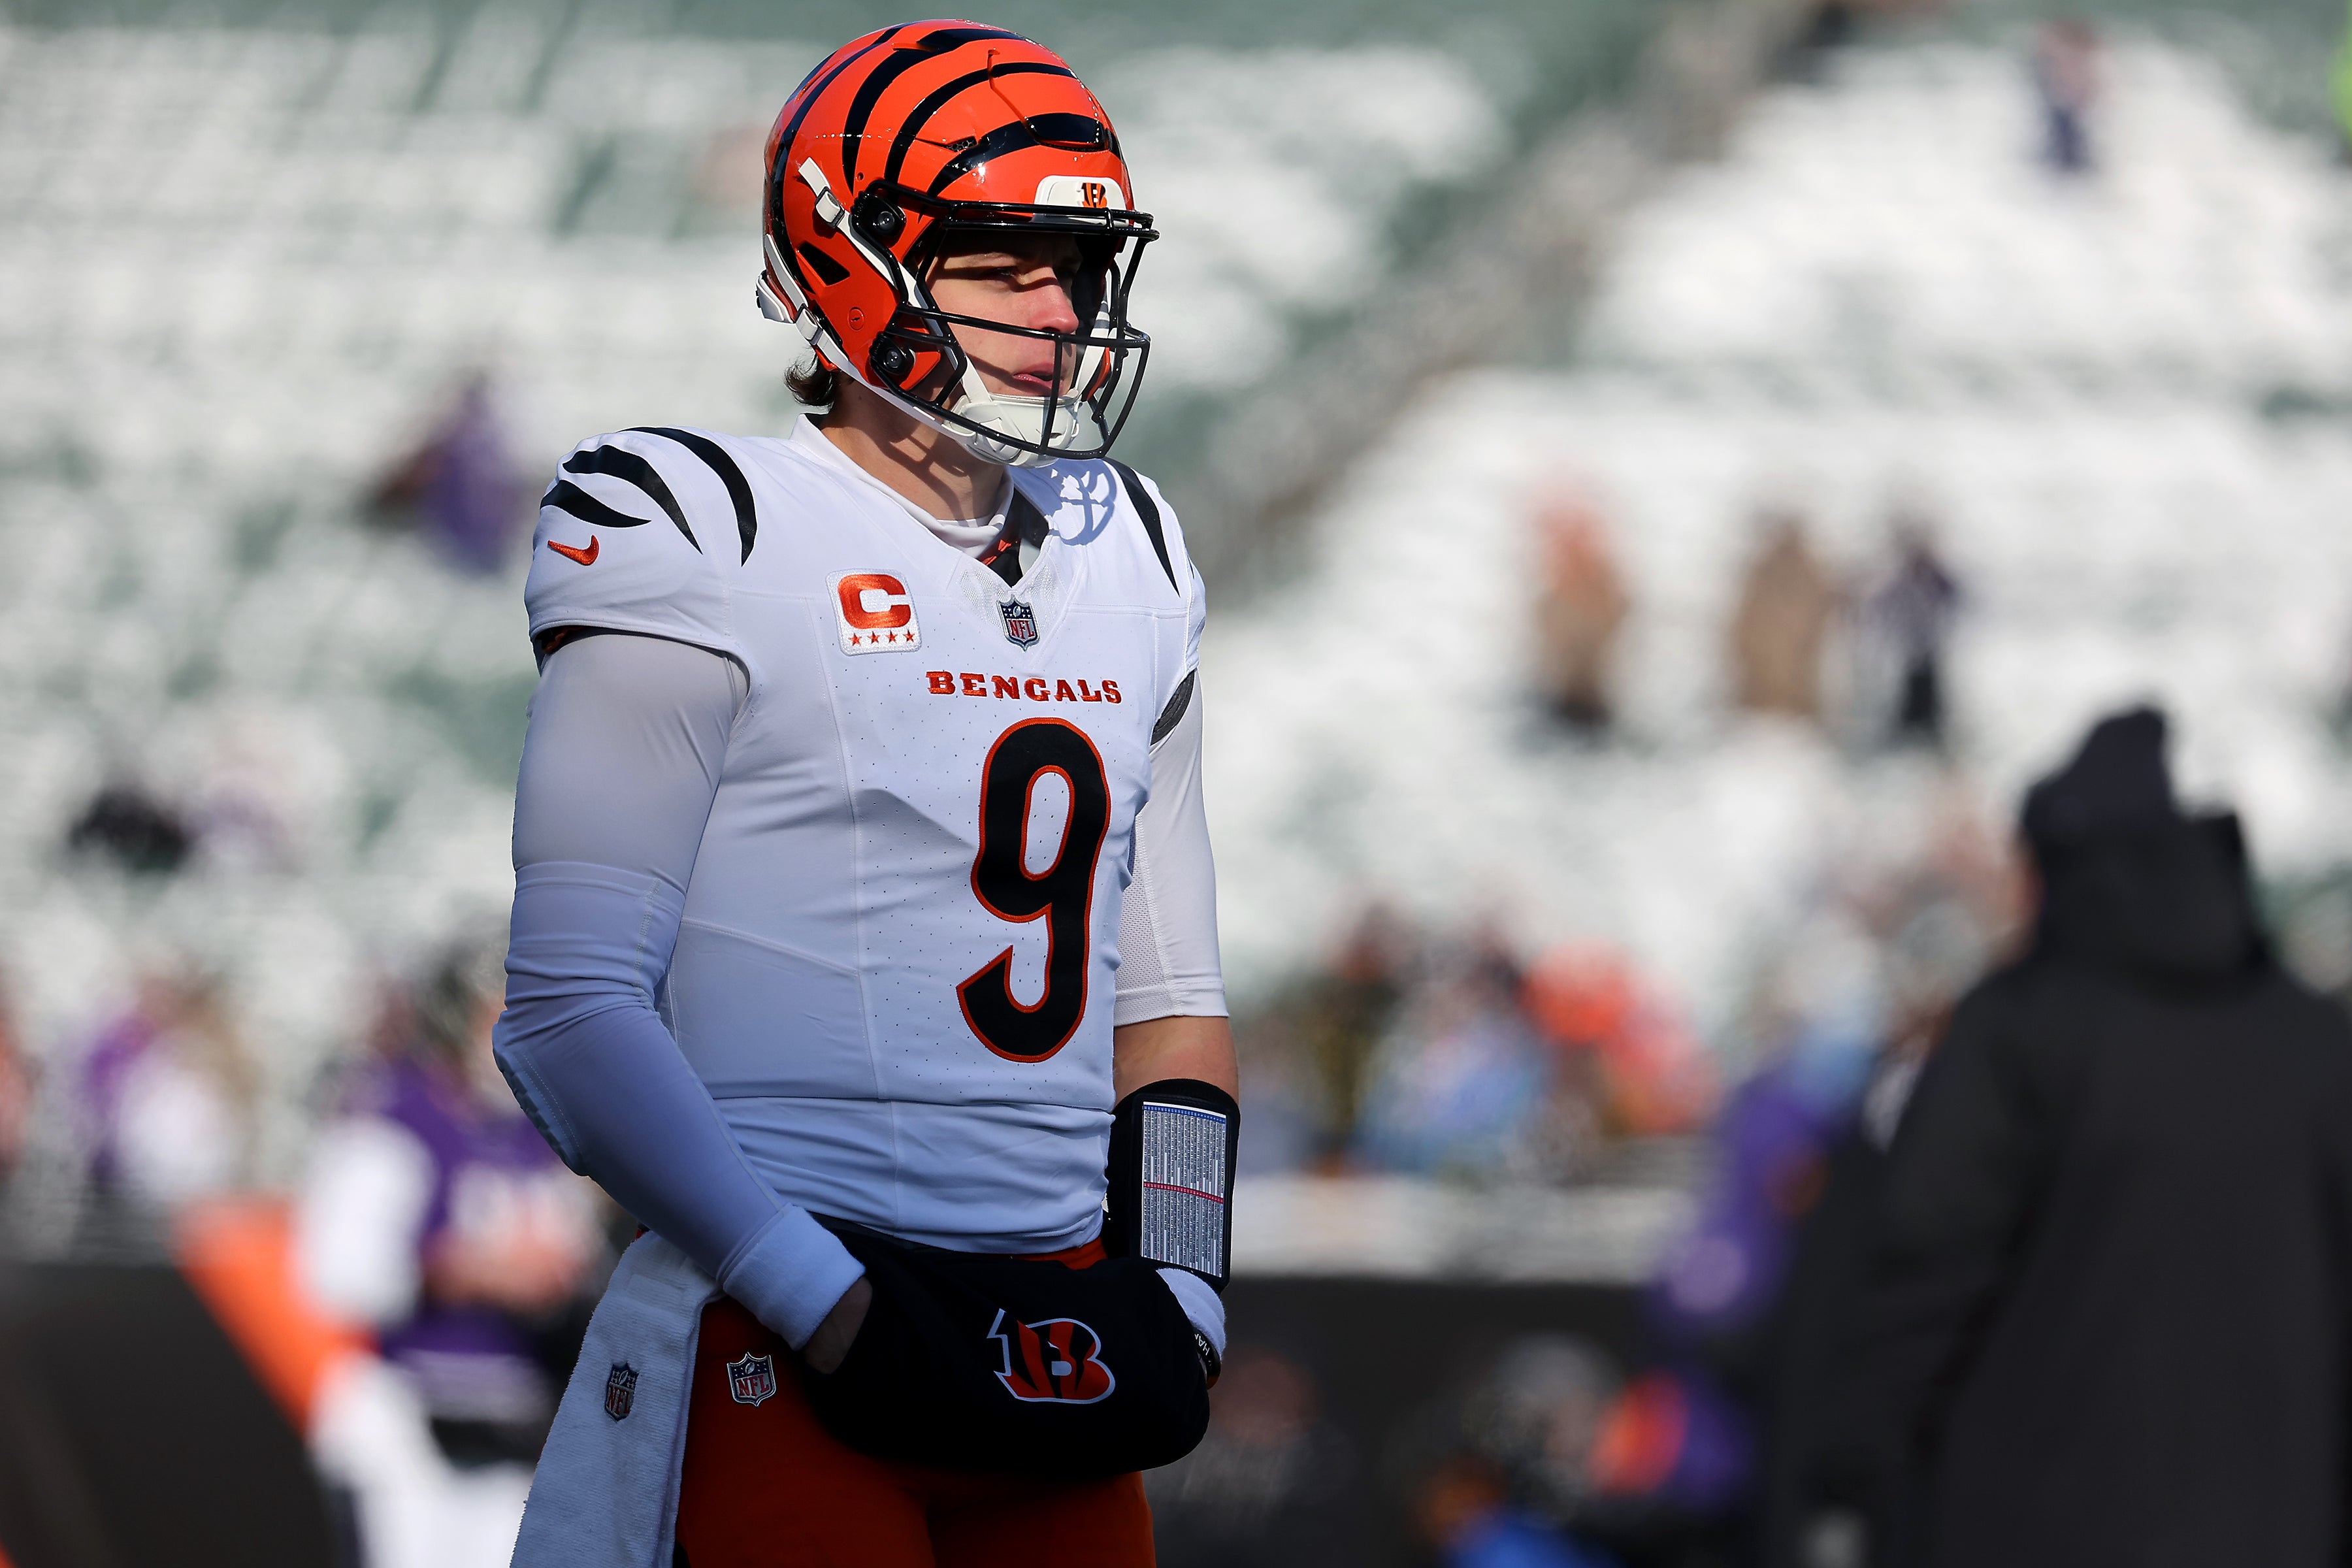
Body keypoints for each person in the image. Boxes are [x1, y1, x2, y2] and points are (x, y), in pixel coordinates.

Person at [495, 23, 1235, 1568]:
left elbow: (1172, 1009)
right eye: (1002, 262)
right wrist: (822, 1301)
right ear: (852, 256)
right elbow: (567, 1011)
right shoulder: (706, 526)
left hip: (1060, 1333)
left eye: (1075, 267)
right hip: (780, 1328)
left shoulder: (1127, 550)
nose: (1059, 312)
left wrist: (1185, 1290)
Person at [1831, 708, 2352, 1567]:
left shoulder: (2020, 1034)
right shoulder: (2314, 1046)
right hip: (2275, 1529)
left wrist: (1851, 1483)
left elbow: (1921, 1280)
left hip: (2030, 1527)